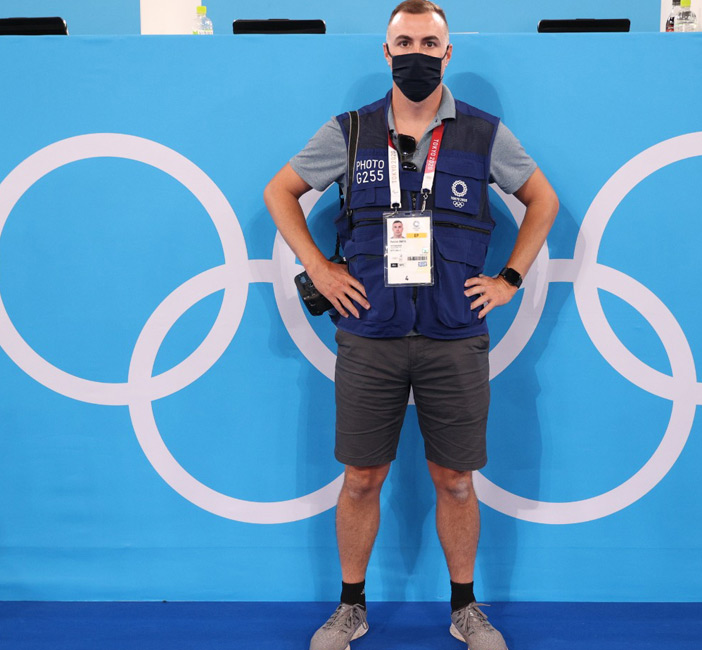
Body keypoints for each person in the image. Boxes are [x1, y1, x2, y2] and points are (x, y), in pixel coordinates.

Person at [263, 2, 558, 648]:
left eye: (430, 41)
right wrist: (320, 266)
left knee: (455, 479)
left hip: (454, 333)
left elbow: (544, 200)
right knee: (362, 477)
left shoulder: (483, 134)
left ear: (449, 54)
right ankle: (350, 608)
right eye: (405, 42)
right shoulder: (350, 132)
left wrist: (508, 279)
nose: (418, 52)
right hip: (371, 334)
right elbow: (279, 191)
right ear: (386, 52)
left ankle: (465, 608)